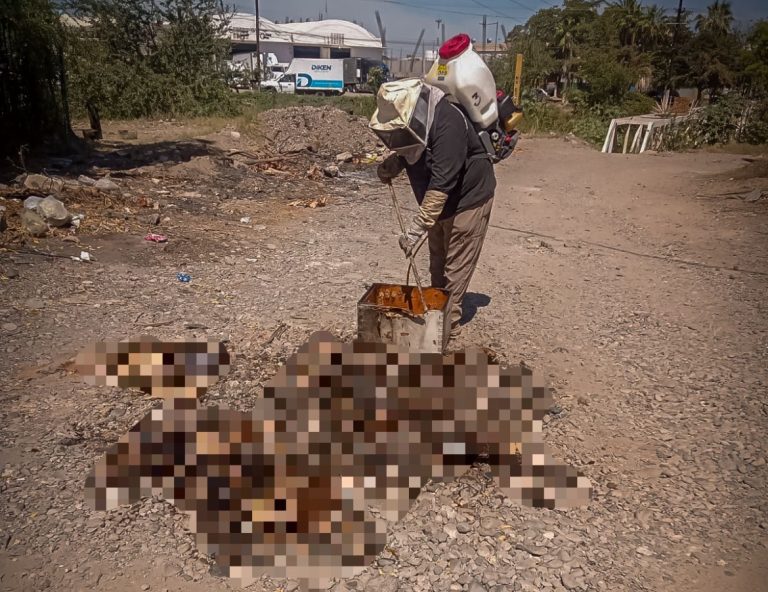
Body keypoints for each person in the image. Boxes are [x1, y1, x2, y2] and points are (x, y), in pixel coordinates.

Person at [369, 78, 496, 339]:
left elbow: (441, 182)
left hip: (468, 199)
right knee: (437, 260)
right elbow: (412, 146)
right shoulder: (417, 123)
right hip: (438, 201)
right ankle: (435, 308)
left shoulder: (448, 123)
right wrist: (395, 164)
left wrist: (416, 229)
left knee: (455, 264)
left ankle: (447, 325)